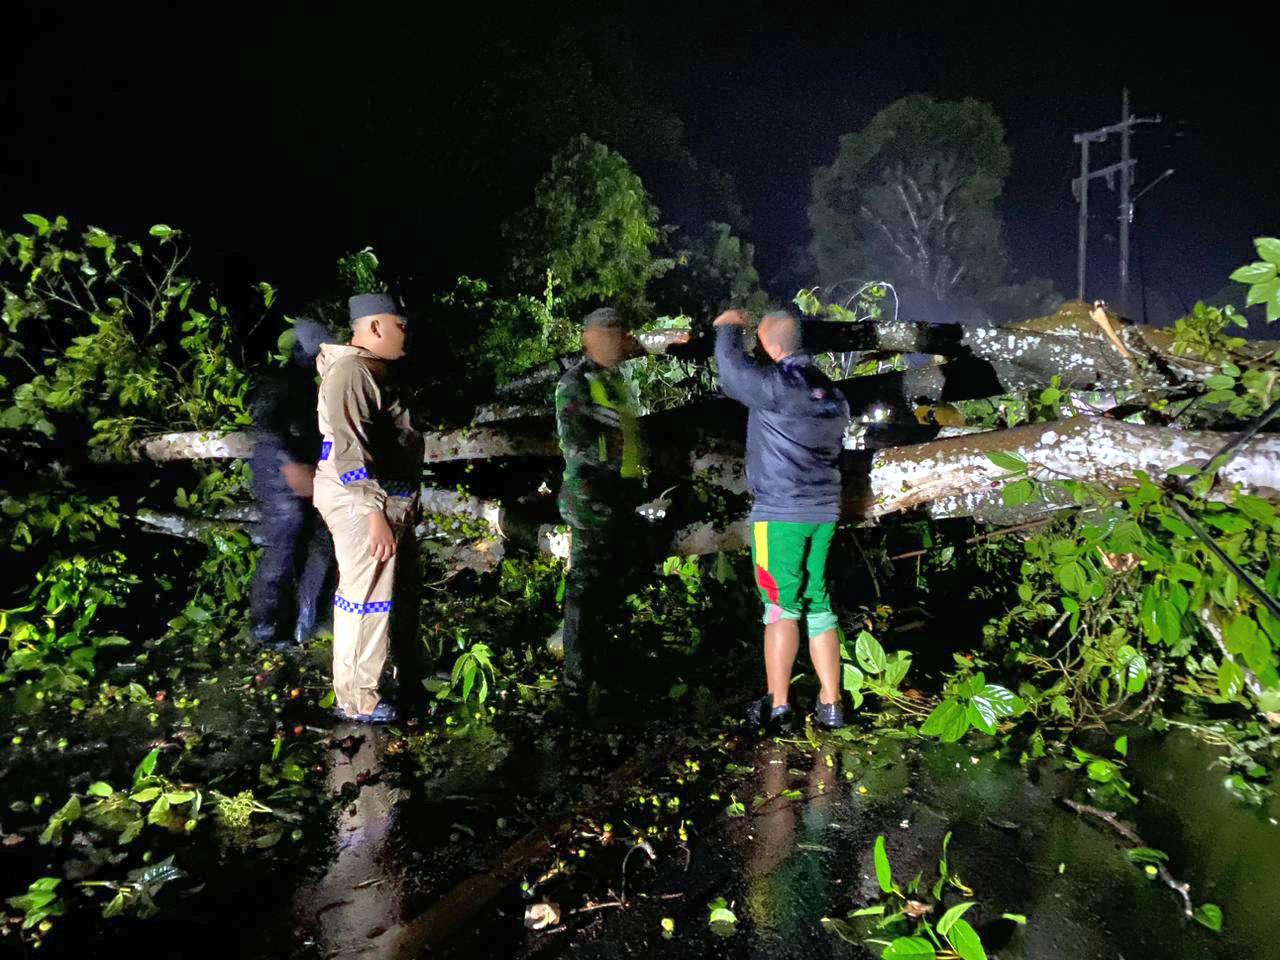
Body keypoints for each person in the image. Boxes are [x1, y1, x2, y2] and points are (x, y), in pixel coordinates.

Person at [713, 308, 850, 730]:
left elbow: (732, 372)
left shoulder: (777, 386)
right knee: (819, 604)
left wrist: (727, 328)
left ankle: (778, 706)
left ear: (771, 345)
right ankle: (831, 705)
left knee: (780, 607)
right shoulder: (831, 393)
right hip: (824, 511)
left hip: (781, 514)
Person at [314, 293, 425, 724]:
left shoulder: (374, 371)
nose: (406, 334)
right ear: (377, 327)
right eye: (401, 325)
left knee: (389, 594)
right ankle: (359, 699)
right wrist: (373, 513)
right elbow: (347, 450)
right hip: (363, 503)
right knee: (365, 598)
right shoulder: (351, 373)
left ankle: (382, 676)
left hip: (385, 500)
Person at [554, 307, 649, 697]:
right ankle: (577, 681)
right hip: (592, 496)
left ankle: (603, 664)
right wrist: (606, 476)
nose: (619, 341)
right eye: (609, 334)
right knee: (586, 585)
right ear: (589, 338)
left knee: (624, 573)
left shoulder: (616, 381)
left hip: (624, 493)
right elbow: (576, 442)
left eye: (621, 334)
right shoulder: (576, 382)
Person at [248, 319, 334, 652]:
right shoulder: (277, 382)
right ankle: (266, 629)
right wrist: (290, 467)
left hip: (306, 473)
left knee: (319, 542)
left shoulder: (307, 387)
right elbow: (266, 430)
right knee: (285, 541)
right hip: (280, 475)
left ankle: (306, 624)